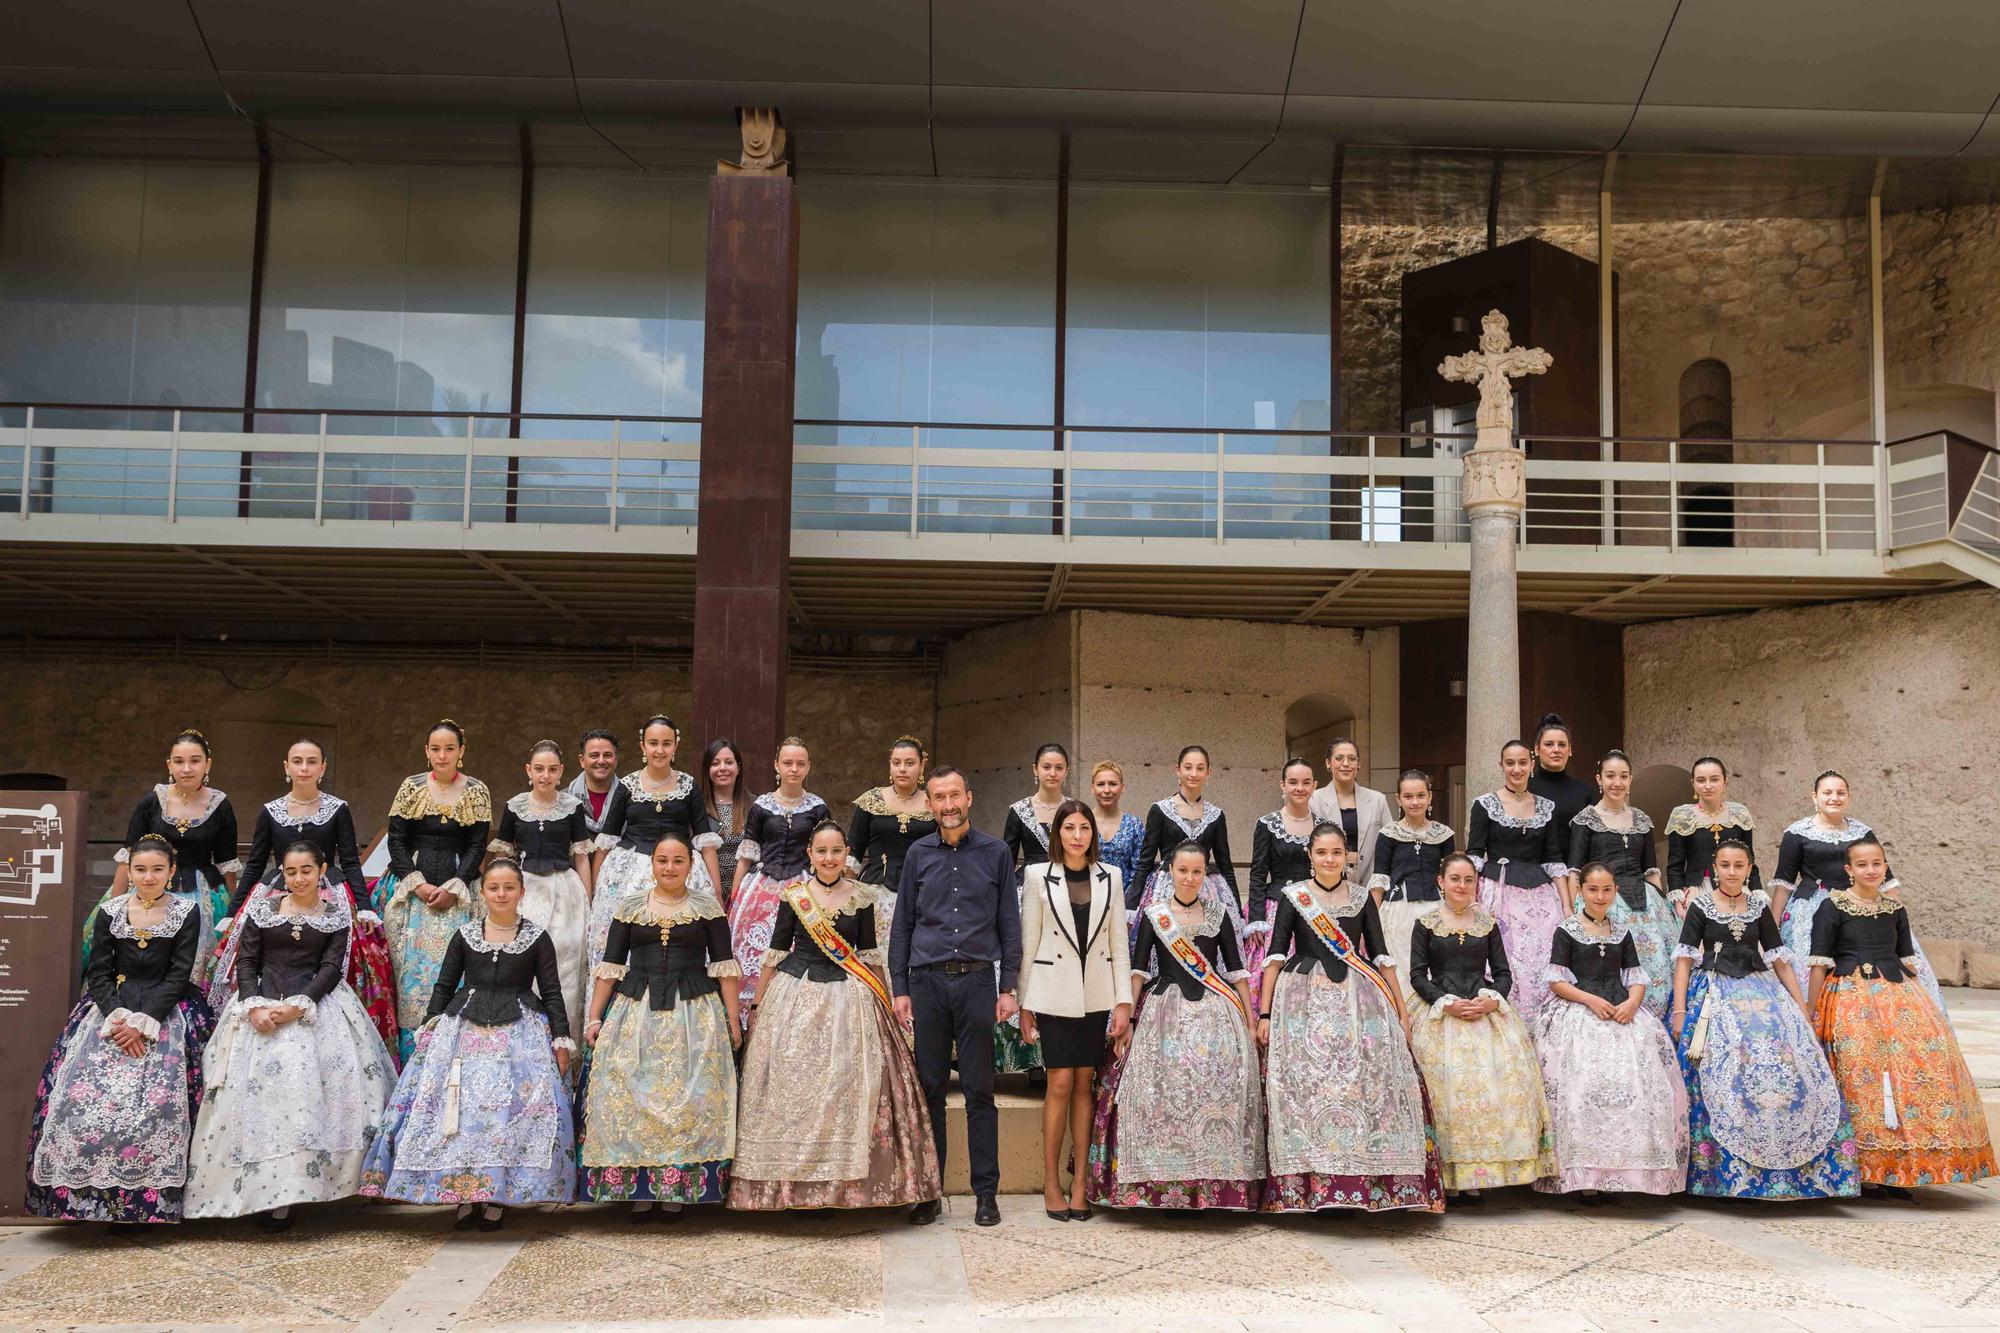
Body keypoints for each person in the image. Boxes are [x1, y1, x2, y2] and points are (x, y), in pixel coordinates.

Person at [187, 841, 397, 1229]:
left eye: (306, 871)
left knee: (311, 1093)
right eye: (290, 872)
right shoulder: (262, 910)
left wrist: (299, 1006)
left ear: (322, 872)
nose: (298, 878)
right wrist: (253, 1005)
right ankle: (250, 1190)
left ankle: (300, 1189)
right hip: (260, 1005)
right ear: (281, 874)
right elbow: (247, 960)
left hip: (317, 1006)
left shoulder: (336, 916)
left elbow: (333, 967)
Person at [732, 822, 940, 1211]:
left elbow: (870, 954)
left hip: (851, 997)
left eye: (836, 851)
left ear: (847, 854)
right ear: (809, 854)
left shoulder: (861, 897)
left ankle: (846, 1188)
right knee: (792, 1082)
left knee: (850, 1080)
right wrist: (757, 1006)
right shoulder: (793, 895)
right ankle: (792, 1189)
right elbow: (775, 954)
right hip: (795, 994)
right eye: (821, 851)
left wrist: (888, 999)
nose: (829, 859)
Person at [362, 858, 577, 1231]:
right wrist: (430, 1027)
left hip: (519, 1032)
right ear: (483, 892)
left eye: (509, 887)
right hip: (463, 1030)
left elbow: (553, 992)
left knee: (504, 1111)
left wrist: (560, 1039)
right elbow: (445, 986)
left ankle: (495, 1194)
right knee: (461, 1112)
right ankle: (460, 1191)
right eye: (494, 887)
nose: (501, 894)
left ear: (521, 893)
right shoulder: (464, 935)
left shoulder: (537, 938)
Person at [25, 835, 216, 1224]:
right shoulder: (111, 911)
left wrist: (147, 1022)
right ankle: (94, 1204)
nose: (148, 877)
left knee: (161, 1107)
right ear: (129, 870)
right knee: (82, 1106)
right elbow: (98, 972)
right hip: (112, 1012)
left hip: (168, 1009)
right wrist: (119, 1018)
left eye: (157, 870)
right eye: (141, 869)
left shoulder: (187, 912)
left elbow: (180, 973)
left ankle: (150, 1205)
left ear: (171, 872)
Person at [1260, 825, 1443, 1214]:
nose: (1329, 859)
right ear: (1309, 855)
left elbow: (1381, 958)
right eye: (1322, 852)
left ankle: (1363, 1180)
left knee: (1362, 1084)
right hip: (1301, 1002)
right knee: (1308, 1088)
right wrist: (1264, 1013)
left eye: (1337, 853)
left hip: (1359, 1001)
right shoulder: (1294, 896)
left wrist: (1401, 1014)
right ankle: (1311, 1185)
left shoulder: (1362, 898)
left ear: (1348, 857)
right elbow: (1275, 957)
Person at [1670, 840, 1857, 1201]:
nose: (1731, 872)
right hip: (1714, 991)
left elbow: (1778, 958)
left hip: (1760, 988)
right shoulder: (1701, 905)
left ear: (1749, 868)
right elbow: (1684, 959)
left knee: (1784, 1055)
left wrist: (1801, 1006)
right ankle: (1720, 1172)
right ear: (1715, 868)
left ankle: (1791, 1161)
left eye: (1739, 866)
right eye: (1725, 865)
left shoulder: (1758, 905)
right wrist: (1680, 1011)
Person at [1086, 841, 1265, 1212]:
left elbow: (1237, 972)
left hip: (1216, 1011)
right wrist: (1130, 1020)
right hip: (1162, 1010)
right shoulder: (1154, 914)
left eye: (1197, 872)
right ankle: (1159, 1184)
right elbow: (1138, 970)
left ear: (1205, 874)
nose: (1189, 878)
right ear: (1170, 872)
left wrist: (1249, 1022)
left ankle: (1216, 1185)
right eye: (1183, 871)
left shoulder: (1220, 913)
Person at [1808, 838, 1994, 1195]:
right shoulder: (1831, 908)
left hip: (1900, 998)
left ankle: (1903, 1167)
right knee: (1862, 1076)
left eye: (1877, 863)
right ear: (1849, 870)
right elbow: (1819, 963)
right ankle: (1864, 1169)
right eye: (1862, 864)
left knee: (1920, 1068)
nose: (1871, 870)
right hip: (1850, 998)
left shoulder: (1895, 909)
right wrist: (1809, 1009)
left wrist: (1925, 1004)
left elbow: (1906, 957)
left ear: (1885, 866)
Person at [579, 832, 740, 1220]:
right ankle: (638, 1188)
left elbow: (724, 968)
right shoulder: (631, 906)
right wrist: (595, 1016)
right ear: (652, 864)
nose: (669, 868)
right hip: (636, 1011)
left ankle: (678, 1188)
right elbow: (611, 967)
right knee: (634, 1090)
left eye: (678, 861)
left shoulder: (707, 908)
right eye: (662, 860)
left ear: (690, 865)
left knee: (689, 1096)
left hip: (694, 1012)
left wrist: (733, 1021)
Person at [890, 765, 1021, 1228]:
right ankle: (930, 1191)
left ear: (969, 797)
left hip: (978, 982)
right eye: (938, 798)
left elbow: (1009, 923)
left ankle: (986, 1193)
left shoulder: (997, 852)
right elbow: (902, 922)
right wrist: (900, 986)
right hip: (926, 983)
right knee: (929, 1091)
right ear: (929, 804)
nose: (947, 805)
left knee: (979, 1091)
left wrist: (1009, 987)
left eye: (954, 796)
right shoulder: (917, 855)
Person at [228, 738, 398, 1057]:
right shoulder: (269, 811)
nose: (304, 768)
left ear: (322, 768)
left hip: (329, 887)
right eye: (297, 761)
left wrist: (363, 906)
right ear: (287, 767)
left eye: (311, 761)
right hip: (278, 889)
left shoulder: (338, 809)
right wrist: (233, 908)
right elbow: (256, 862)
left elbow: (349, 860)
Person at [1533, 863, 1689, 1199]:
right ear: (1581, 892)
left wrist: (1633, 1004)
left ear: (1615, 891)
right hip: (1579, 1011)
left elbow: (1634, 976)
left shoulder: (1622, 932)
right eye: (1592, 890)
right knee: (1584, 1087)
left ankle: (1627, 1173)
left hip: (1621, 1010)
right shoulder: (1567, 930)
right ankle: (1585, 1176)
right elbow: (1557, 980)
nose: (1600, 896)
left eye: (1606, 890)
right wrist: (1590, 1000)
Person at [1407, 853, 1554, 1201]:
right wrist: (1445, 1002)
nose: (1462, 886)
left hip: (1482, 1009)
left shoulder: (1487, 923)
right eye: (1455, 879)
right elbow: (1417, 974)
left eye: (1468, 880)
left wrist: (1491, 1000)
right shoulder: (1426, 923)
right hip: (1440, 1011)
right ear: (1441, 882)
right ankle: (1447, 1175)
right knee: (1446, 1092)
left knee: (1496, 1088)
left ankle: (1478, 1176)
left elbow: (1503, 973)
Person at [1018, 800, 1132, 1220]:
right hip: (1051, 992)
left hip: (1097, 995)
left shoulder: (1111, 877)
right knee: (1060, 1083)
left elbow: (1119, 943)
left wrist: (1124, 1002)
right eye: (1070, 827)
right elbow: (1029, 943)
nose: (1078, 835)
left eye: (1085, 827)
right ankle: (1051, 1181)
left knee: (1086, 1083)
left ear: (1093, 835)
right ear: (1058, 834)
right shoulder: (1036, 875)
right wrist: (1024, 1004)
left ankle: (1081, 1183)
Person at [1772, 770, 1946, 1010]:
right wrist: (1773, 925)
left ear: (1849, 798)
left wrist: (1898, 918)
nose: (1834, 798)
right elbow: (1784, 883)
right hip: (1810, 911)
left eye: (1840, 793)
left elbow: (1886, 879)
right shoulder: (1796, 833)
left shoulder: (1862, 832)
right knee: (1813, 966)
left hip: (1858, 906)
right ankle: (1813, 1021)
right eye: (1827, 792)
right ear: (1814, 797)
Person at [83, 729, 241, 988]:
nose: (186, 768)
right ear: (169, 764)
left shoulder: (220, 804)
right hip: (146, 884)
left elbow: (227, 863)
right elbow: (128, 857)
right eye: (179, 761)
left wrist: (235, 911)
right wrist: (114, 907)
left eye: (195, 760)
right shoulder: (151, 801)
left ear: (207, 764)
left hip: (204, 896)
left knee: (194, 966)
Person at [372, 720, 492, 1060]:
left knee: (453, 971)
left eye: (449, 748)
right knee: (407, 974)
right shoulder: (411, 787)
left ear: (461, 752)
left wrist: (457, 886)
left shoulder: (476, 791)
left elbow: (476, 844)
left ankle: (449, 1052)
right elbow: (396, 839)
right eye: (435, 749)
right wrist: (417, 883)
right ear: (427, 752)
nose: (442, 755)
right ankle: (409, 1057)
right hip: (411, 894)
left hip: (458, 892)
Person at [590, 716, 723, 976]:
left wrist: (716, 894)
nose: (659, 750)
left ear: (676, 746)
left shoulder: (688, 786)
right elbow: (606, 842)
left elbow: (705, 842)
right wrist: (597, 890)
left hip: (680, 868)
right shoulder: (627, 786)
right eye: (653, 743)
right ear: (642, 746)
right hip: (628, 871)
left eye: (666, 743)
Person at [491, 741, 596, 1034]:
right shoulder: (515, 806)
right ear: (529, 771)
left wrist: (588, 901)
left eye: (552, 770)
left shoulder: (572, 808)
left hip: (565, 888)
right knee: (522, 955)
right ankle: (523, 1033)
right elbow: (504, 856)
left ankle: (564, 1036)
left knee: (565, 959)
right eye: (539, 769)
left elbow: (582, 857)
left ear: (562, 772)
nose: (545, 775)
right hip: (525, 889)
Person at [1568, 751, 1677, 1017]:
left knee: (1657, 965)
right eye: (1610, 776)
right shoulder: (1586, 820)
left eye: (1624, 776)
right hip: (1603, 902)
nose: (1617, 782)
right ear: (1599, 779)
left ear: (1630, 781)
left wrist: (1662, 906)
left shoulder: (1642, 820)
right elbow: (1574, 872)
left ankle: (1653, 1025)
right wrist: (1574, 911)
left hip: (1646, 904)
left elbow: (1652, 872)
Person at [1467, 740, 1570, 1022]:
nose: (1517, 769)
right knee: (1506, 959)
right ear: (1501, 766)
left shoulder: (1546, 807)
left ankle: (1542, 1025)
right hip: (1498, 893)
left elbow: (1553, 858)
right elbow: (1474, 855)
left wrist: (1567, 906)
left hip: (1540, 896)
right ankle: (1507, 1024)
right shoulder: (1485, 805)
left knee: (1542, 958)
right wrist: (1471, 901)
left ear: (1532, 764)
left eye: (1522, 763)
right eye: (1510, 763)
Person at [729, 737, 831, 1018]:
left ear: (809, 767)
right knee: (749, 949)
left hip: (803, 890)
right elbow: (748, 852)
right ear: (777, 765)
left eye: (800, 763)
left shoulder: (818, 808)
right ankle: (749, 1016)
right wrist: (735, 897)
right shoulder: (761, 806)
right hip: (761, 888)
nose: (794, 769)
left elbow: (826, 854)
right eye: (788, 763)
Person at [997, 743, 1069, 1075]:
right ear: (1035, 770)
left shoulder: (1075, 811)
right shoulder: (1018, 811)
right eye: (1046, 767)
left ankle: (1058, 1053)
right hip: (1028, 894)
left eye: (1058, 767)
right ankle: (1029, 1056)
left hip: (1070, 894)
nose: (1052, 773)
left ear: (1066, 771)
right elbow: (1006, 861)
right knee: (1029, 966)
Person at [1133, 746, 1244, 943]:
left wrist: (1237, 909)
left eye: (1200, 768)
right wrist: (1131, 904)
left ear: (1208, 772)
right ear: (1178, 770)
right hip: (1166, 886)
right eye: (1188, 767)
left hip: (1208, 887)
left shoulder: (1216, 815)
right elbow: (1145, 860)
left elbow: (1226, 865)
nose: (1194, 774)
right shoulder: (1160, 810)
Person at [1367, 769, 1455, 1000]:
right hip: (1398, 912)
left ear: (1430, 797)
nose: (1415, 802)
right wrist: (1369, 920)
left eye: (1420, 795)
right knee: (1403, 967)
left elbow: (1451, 876)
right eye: (1408, 796)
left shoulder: (1444, 834)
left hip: (1437, 911)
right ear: (1398, 799)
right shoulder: (1388, 834)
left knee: (1437, 966)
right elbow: (1380, 879)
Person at [1243, 757, 1317, 1013]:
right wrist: (1256, 917)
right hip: (1276, 908)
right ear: (1282, 785)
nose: (1299, 788)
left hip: (1315, 911)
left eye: (1306, 782)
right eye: (1293, 782)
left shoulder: (1324, 826)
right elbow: (1257, 873)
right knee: (1270, 973)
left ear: (1314, 786)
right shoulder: (1266, 825)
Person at [846, 735, 937, 936]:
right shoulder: (871, 800)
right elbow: (854, 851)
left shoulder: (933, 803)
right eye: (896, 763)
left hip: (924, 891)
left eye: (910, 763)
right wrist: (846, 897)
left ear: (921, 766)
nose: (902, 768)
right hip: (875, 890)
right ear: (890, 765)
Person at [1664, 756, 1760, 901]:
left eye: (1714, 779)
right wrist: (1678, 900)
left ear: (1725, 782)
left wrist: (1757, 890)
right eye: (1701, 780)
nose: (1708, 786)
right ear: (1693, 784)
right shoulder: (1682, 816)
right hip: (1697, 890)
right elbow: (1675, 865)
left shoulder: (1739, 814)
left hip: (1737, 890)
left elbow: (1750, 860)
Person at [1307, 738, 1392, 890]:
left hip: (1371, 884)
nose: (1345, 763)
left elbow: (1389, 847)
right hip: (1327, 885)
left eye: (1352, 759)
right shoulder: (1314, 800)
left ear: (1358, 764)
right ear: (1328, 763)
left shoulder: (1378, 800)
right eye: (1339, 758)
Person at [1527, 713, 1595, 854]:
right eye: (1549, 744)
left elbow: (1592, 839)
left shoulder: (1584, 791)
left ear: (1570, 750)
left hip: (1575, 870)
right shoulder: (1525, 788)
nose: (1556, 750)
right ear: (1537, 749)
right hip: (1533, 869)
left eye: (1562, 744)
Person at [1088, 760, 1145, 916]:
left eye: (1113, 784)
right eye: (1101, 784)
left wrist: (1128, 902)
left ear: (1122, 787)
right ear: (1092, 789)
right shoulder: (1083, 821)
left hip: (1122, 903)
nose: (1107, 790)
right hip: (1085, 899)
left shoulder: (1134, 824)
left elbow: (1138, 868)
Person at [701, 738, 751, 904]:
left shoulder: (755, 806)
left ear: (738, 768)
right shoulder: (698, 807)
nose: (722, 768)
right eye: (715, 763)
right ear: (707, 769)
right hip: (706, 891)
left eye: (728, 762)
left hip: (745, 893)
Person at [567, 728, 622, 841]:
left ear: (616, 760)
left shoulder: (629, 799)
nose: (601, 761)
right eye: (594, 755)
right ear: (582, 760)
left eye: (607, 755)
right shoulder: (564, 800)